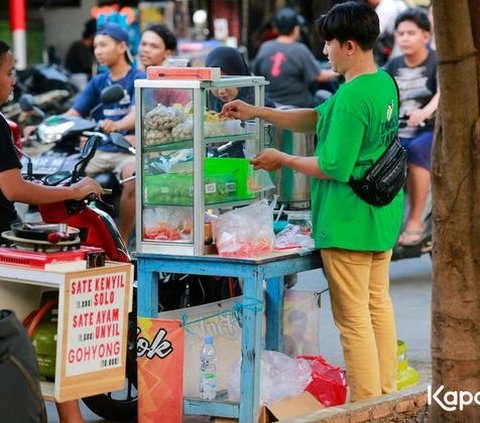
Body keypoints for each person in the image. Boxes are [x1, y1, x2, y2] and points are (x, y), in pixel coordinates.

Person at [221, 1, 402, 401]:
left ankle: (367, 403)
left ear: (350, 46)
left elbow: (334, 166)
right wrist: (259, 112)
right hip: (380, 215)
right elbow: (317, 117)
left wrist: (282, 159)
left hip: (349, 219)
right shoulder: (381, 82)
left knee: (354, 319)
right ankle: (386, 395)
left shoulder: (355, 96)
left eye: (329, 44)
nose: (325, 52)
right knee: (377, 307)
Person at [0, 40, 103, 423]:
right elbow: (13, 188)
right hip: (5, 240)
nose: (13, 81)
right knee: (60, 314)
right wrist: (72, 191)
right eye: (9, 72)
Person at [65, 22, 145, 243]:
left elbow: (135, 113)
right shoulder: (99, 81)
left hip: (126, 149)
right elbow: (74, 112)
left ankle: (123, 242)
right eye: (96, 46)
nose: (98, 51)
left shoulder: (137, 78)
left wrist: (118, 124)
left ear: (121, 47)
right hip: (99, 149)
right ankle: (70, 237)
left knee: (132, 176)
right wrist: (51, 124)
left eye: (103, 45)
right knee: (64, 175)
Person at [384, 7, 438, 246]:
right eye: (401, 33)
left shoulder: (437, 62)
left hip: (427, 132)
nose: (405, 38)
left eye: (411, 33)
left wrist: (425, 112)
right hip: (396, 132)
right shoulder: (393, 64)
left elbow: (442, 93)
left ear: (425, 36)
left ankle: (415, 220)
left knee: (415, 149)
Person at [253, 7, 337, 108]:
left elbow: (256, 75)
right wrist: (341, 70)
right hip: (298, 106)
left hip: (270, 106)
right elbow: (318, 77)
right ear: (296, 29)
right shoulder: (300, 49)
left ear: (276, 29)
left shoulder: (264, 47)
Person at [138, 24, 189, 107]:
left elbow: (182, 113)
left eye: (154, 46)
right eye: (143, 44)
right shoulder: (132, 76)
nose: (146, 50)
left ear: (167, 53)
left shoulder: (174, 85)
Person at [65, 18, 96, 90]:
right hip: (78, 79)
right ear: (92, 36)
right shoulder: (80, 47)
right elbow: (90, 66)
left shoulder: (88, 48)